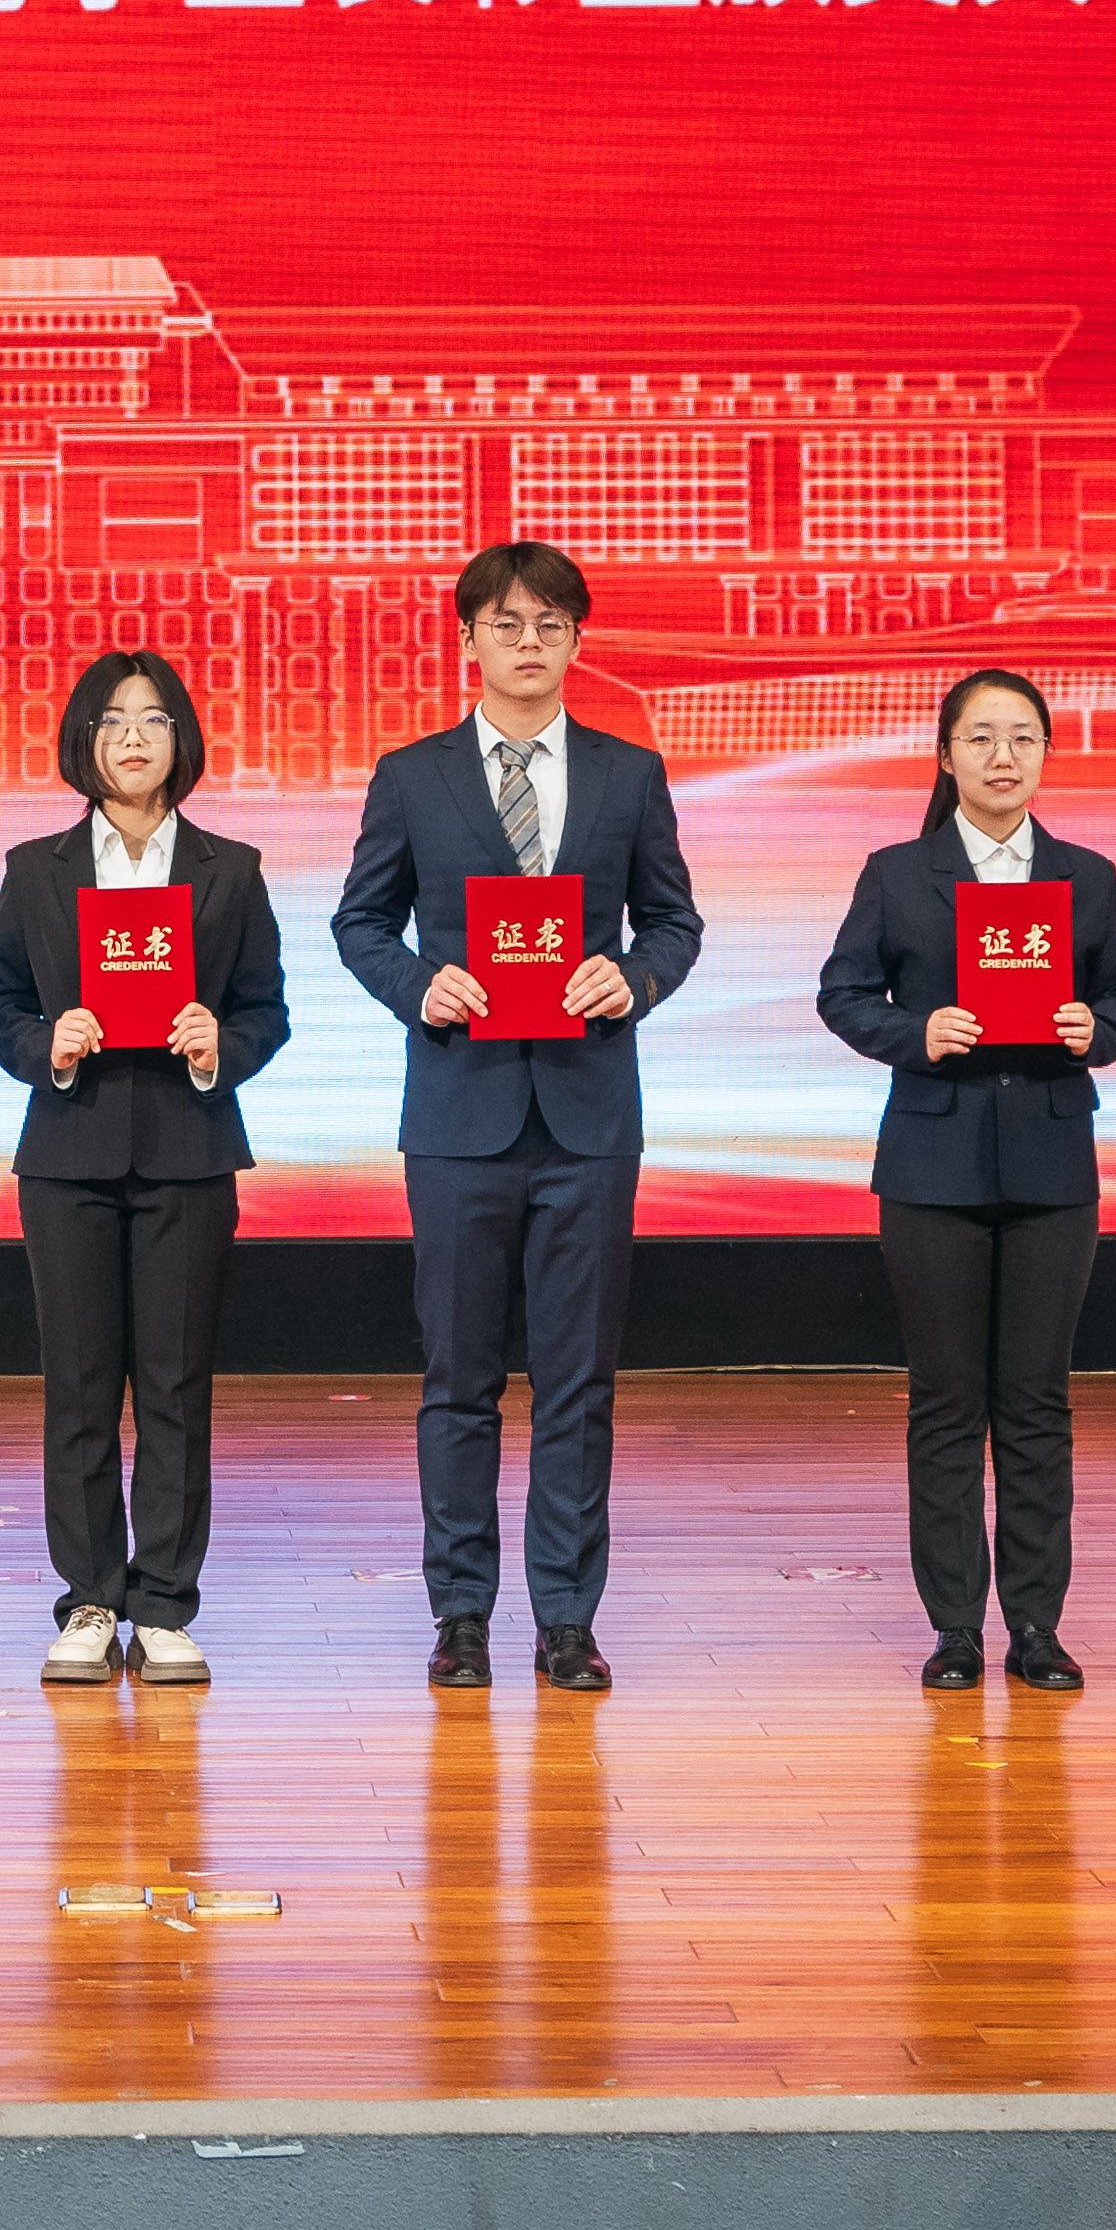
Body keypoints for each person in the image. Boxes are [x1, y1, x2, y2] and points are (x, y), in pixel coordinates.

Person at [333, 541, 705, 1695]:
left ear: (577, 638)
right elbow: (360, 923)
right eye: (506, 622)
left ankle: (566, 1616)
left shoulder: (629, 774)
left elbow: (675, 923)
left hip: (588, 1114)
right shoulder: (414, 775)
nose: (529, 641)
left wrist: (633, 977)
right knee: (458, 1377)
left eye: (549, 622)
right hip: (459, 1111)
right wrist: (419, 985)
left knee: (578, 1380)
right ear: (469, 639)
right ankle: (460, 1612)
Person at [813, 669, 1116, 1693]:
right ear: (946, 755)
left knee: (1036, 1400)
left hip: (1051, 1162)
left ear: (1046, 753)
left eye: (1022, 737)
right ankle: (956, 1627)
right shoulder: (896, 872)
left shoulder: (1087, 875)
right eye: (980, 737)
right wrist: (914, 1031)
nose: (1002, 756)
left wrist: (1098, 1029)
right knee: (946, 1399)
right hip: (932, 1163)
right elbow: (842, 993)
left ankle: (1037, 1626)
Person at [0, 649, 289, 1685]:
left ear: (181, 738)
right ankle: (88, 1598)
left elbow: (266, 1010)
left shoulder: (230, 868)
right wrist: (48, 1044)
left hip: (189, 1152)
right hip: (68, 1151)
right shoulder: (36, 867)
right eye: (111, 721)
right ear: (84, 741)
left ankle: (162, 1604)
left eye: (153, 719)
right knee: (77, 1384)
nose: (132, 738)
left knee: (174, 1385)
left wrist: (218, 1045)